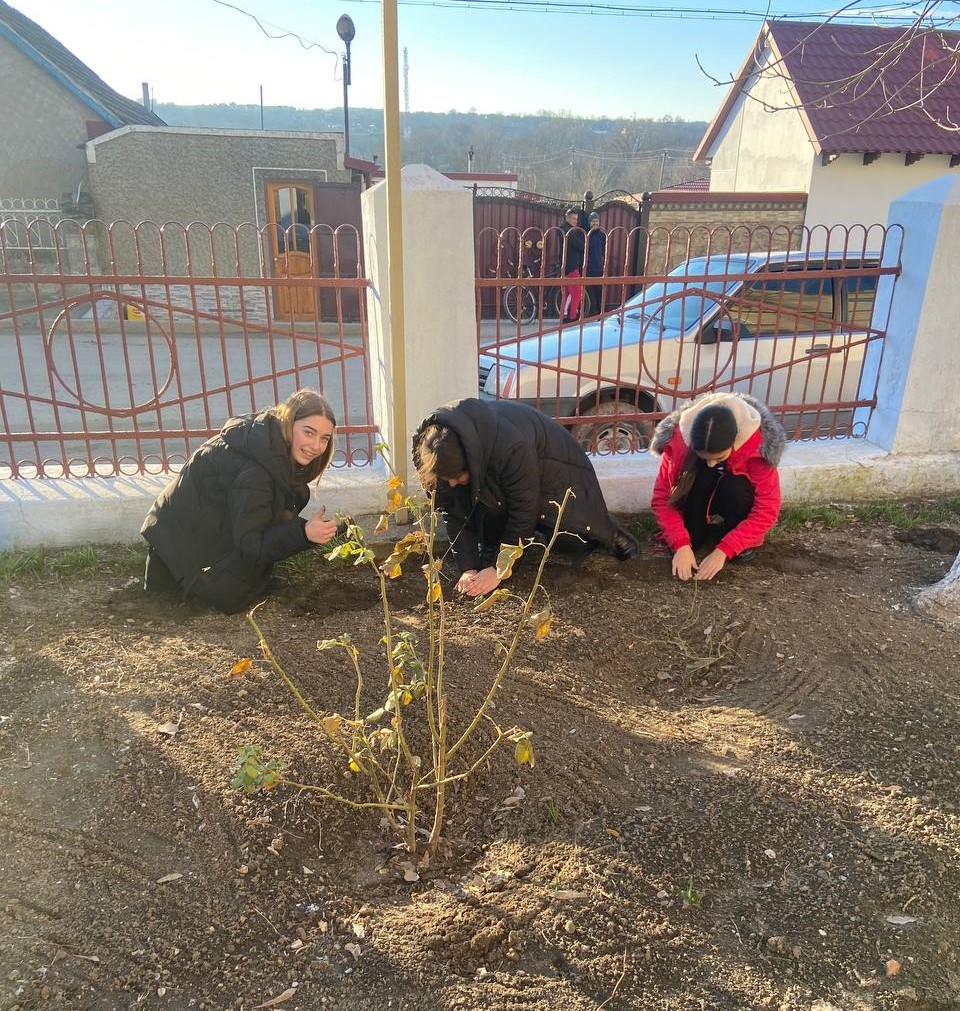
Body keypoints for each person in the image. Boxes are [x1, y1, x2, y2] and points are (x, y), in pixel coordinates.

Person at [412, 398, 638, 597]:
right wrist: (468, 567)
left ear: (471, 460)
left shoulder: (511, 448)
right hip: (507, 465)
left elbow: (523, 509)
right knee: (481, 499)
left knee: (572, 538)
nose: (451, 483)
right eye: (447, 478)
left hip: (553, 466)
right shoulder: (437, 450)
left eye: (458, 476)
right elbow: (452, 510)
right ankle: (494, 548)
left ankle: (611, 531)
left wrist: (500, 570)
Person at [141, 389, 340, 613]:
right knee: (235, 592)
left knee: (290, 501)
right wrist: (303, 533)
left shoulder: (265, 439)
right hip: (176, 549)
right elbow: (252, 545)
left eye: (324, 438)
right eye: (309, 432)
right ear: (288, 422)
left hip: (184, 533)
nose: (316, 446)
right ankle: (195, 586)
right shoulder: (255, 471)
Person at [650, 392, 786, 581]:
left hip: (733, 494)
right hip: (700, 491)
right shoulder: (678, 442)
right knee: (693, 539)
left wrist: (723, 551)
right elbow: (661, 498)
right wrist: (680, 544)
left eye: (719, 458)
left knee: (736, 486)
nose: (712, 464)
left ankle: (737, 536)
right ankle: (698, 529)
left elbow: (767, 509)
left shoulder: (757, 447)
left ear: (735, 441)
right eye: (704, 457)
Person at [559, 207, 586, 323]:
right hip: (571, 266)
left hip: (567, 265)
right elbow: (580, 246)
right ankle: (572, 316)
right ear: (568, 219)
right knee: (577, 292)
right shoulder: (568, 231)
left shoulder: (564, 229)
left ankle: (564, 315)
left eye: (576, 219)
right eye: (574, 219)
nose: (575, 221)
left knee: (568, 293)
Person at [585, 211, 607, 317]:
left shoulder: (602, 235)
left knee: (599, 293)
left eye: (597, 221)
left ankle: (600, 314)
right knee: (588, 294)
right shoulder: (585, 234)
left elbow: (604, 250)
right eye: (593, 221)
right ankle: (589, 315)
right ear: (589, 223)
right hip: (587, 268)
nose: (595, 223)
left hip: (598, 268)